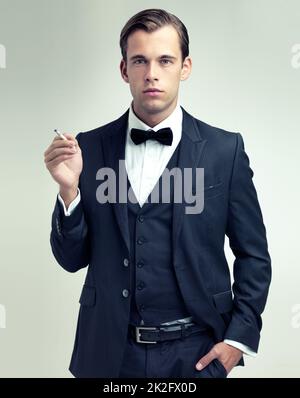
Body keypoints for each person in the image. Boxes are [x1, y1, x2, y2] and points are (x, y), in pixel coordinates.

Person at [44, 8, 271, 378]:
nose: (152, 73)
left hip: (196, 354)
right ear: (124, 70)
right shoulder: (91, 148)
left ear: (185, 67)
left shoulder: (223, 151)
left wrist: (237, 340)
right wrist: (69, 191)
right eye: (140, 61)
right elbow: (72, 259)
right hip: (109, 355)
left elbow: (254, 254)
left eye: (165, 60)